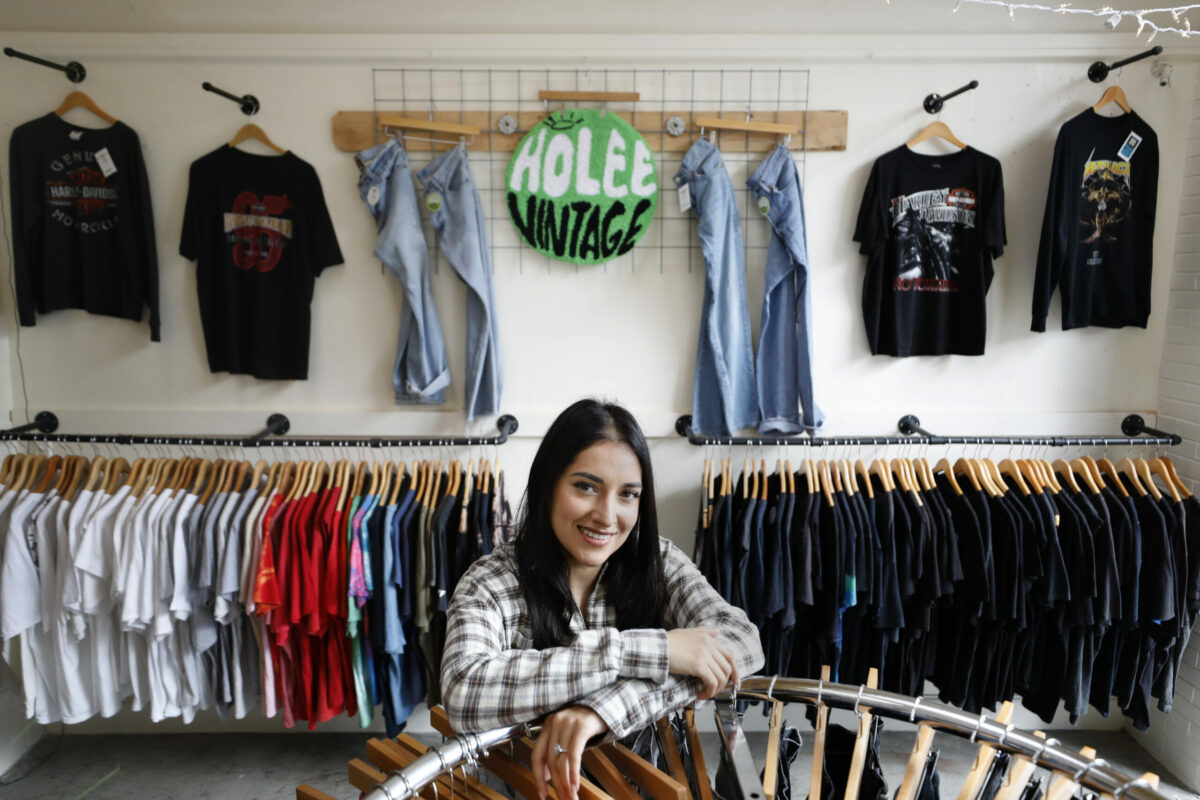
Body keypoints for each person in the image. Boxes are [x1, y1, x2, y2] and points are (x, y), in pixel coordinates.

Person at [441, 398, 765, 800]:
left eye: (628, 494)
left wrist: (601, 711)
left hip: (658, 784)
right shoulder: (490, 583)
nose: (607, 516)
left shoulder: (657, 561)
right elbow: (464, 690)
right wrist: (648, 652)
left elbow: (742, 641)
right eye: (586, 487)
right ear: (546, 485)